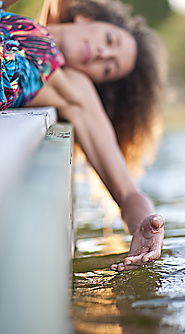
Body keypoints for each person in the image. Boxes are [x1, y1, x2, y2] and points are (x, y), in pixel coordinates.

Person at [0, 0, 165, 271]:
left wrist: (148, 222)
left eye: (109, 68)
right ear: (85, 17)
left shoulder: (72, 90)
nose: (103, 54)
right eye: (109, 39)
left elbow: (128, 193)